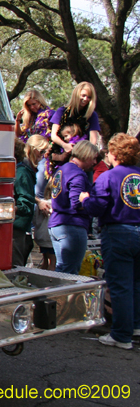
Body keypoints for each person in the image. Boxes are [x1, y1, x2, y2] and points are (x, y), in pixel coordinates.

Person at [80, 133, 140, 350]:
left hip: (118, 232)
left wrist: (86, 200)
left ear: (114, 153)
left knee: (120, 285)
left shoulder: (108, 177)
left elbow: (97, 207)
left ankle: (121, 335)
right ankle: (134, 326)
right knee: (136, 283)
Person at [48, 140, 99, 274]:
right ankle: (63, 295)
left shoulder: (62, 169)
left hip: (56, 224)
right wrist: (89, 200)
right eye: (93, 158)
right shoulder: (78, 175)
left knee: (62, 269)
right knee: (70, 272)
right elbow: (76, 202)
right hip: (71, 226)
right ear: (86, 155)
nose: (94, 162)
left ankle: (56, 295)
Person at [13, 135, 50, 267]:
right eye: (41, 152)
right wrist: (17, 208)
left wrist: (37, 201)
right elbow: (25, 200)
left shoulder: (26, 170)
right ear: (32, 150)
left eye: (46, 152)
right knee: (16, 265)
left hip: (20, 226)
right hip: (17, 227)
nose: (43, 156)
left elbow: (26, 195)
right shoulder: (23, 171)